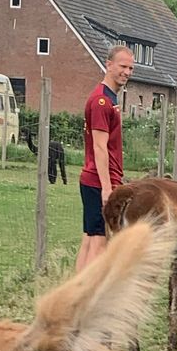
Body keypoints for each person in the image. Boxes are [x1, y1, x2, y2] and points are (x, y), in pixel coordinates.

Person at [78, 43, 134, 271]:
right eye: (122, 66)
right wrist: (107, 188)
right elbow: (100, 147)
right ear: (108, 65)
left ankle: (77, 288)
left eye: (130, 68)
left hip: (94, 179)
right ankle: (90, 289)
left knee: (89, 238)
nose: (127, 72)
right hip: (99, 180)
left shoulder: (110, 98)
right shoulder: (101, 101)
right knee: (99, 243)